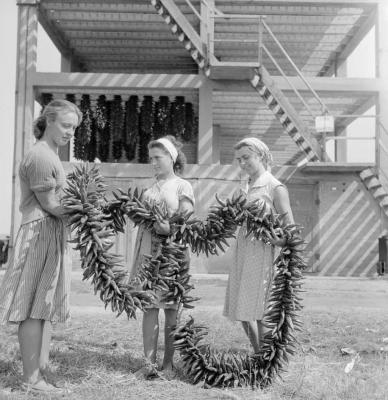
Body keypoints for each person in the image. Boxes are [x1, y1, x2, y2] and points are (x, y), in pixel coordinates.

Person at [0, 99, 82, 393]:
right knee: (34, 308)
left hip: (50, 233)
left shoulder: (51, 155)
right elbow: (51, 205)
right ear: (48, 120)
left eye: (74, 128)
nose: (70, 132)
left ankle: (40, 372)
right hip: (39, 232)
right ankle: (31, 379)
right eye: (66, 125)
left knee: (43, 307)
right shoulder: (41, 157)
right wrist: (86, 210)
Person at [130, 135, 195, 379]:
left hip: (171, 254)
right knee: (148, 308)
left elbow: (186, 218)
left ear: (171, 158)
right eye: (151, 158)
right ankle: (149, 364)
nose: (154, 162)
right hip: (148, 254)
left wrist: (170, 228)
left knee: (169, 310)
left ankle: (168, 365)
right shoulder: (149, 190)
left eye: (158, 157)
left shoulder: (182, 186)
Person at [223, 137, 294, 353]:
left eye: (246, 157)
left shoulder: (274, 187)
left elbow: (290, 226)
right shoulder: (244, 187)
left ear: (261, 156)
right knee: (241, 308)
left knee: (261, 310)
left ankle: (267, 361)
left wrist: (280, 241)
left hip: (262, 254)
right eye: (239, 159)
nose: (242, 163)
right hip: (243, 252)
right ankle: (259, 354)